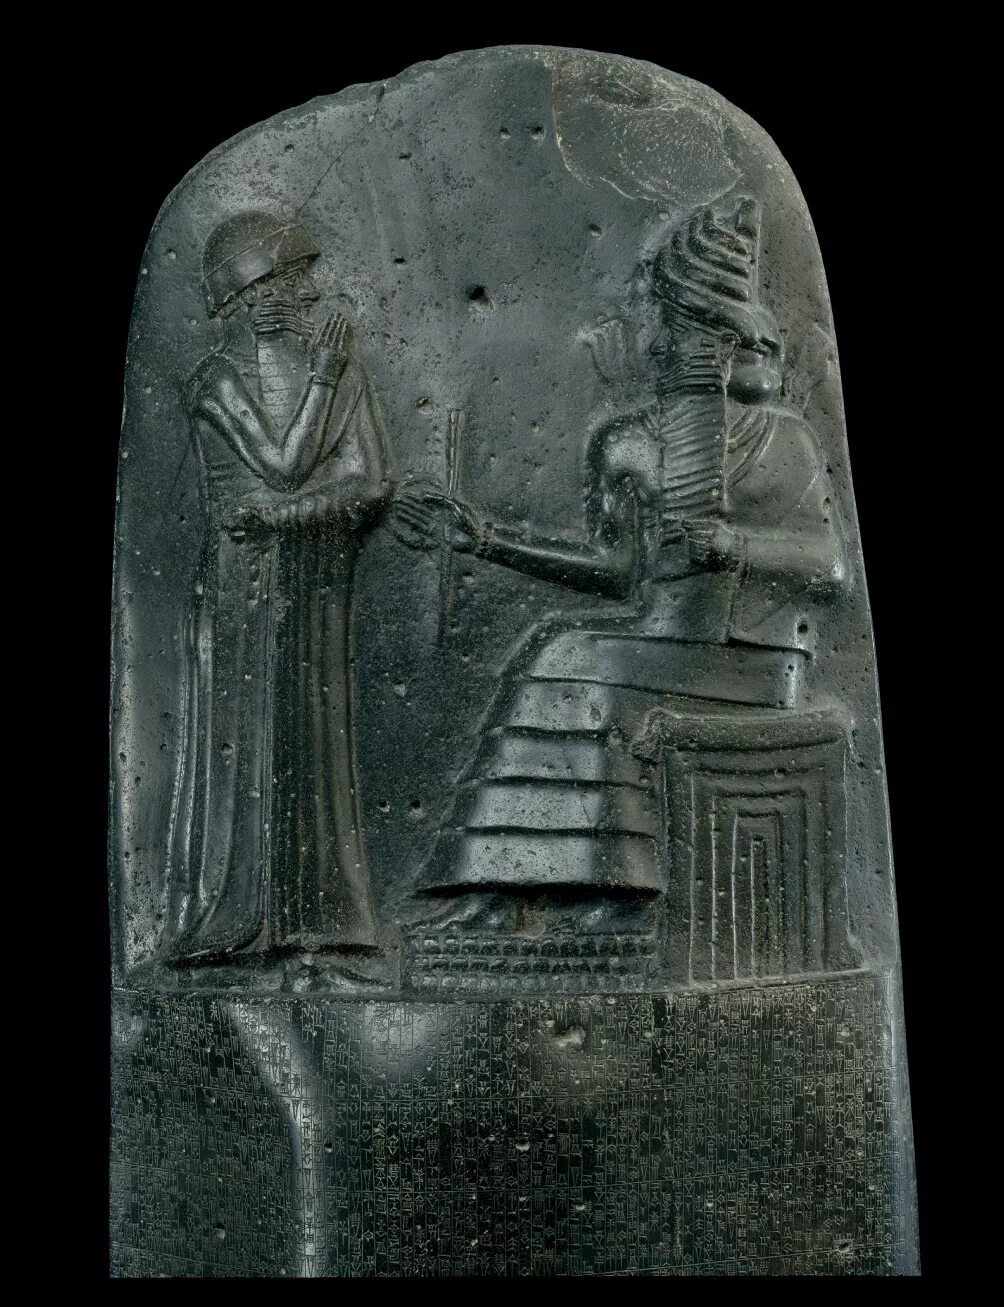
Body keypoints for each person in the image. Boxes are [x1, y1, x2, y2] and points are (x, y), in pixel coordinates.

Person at [393, 197, 848, 932]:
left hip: (751, 654)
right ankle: (499, 885)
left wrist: (734, 547)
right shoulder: (628, 442)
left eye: (698, 330)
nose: (671, 341)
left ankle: (623, 888)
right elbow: (616, 571)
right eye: (674, 327)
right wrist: (486, 540)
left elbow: (828, 569)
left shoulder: (783, 439)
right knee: (555, 649)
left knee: (579, 667)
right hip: (661, 639)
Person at [167, 211, 389, 965]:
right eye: (297, 280)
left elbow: (371, 483)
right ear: (256, 295)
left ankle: (317, 927)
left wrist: (287, 518)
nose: (313, 293)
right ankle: (235, 921)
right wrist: (323, 376)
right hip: (241, 588)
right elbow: (286, 466)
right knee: (246, 756)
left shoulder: (342, 373)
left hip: (312, 581)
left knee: (311, 756)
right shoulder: (218, 380)